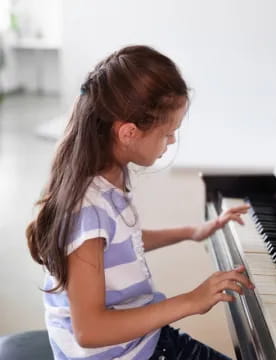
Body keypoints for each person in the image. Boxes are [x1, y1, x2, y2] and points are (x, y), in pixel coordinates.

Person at [26, 45, 254, 360]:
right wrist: (190, 301)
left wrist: (192, 231)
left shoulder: (108, 177)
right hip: (121, 353)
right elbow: (89, 331)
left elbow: (121, 243)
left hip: (139, 340)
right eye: (167, 133)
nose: (171, 141)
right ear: (129, 133)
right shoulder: (87, 210)